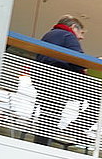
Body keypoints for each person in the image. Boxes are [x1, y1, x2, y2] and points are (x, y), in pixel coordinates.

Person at [32, 15, 92, 147]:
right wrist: (89, 67)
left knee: (48, 114)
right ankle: (76, 129)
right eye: (81, 33)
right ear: (73, 27)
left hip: (42, 79)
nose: (81, 37)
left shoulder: (49, 35)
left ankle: (40, 144)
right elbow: (78, 61)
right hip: (58, 79)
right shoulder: (67, 35)